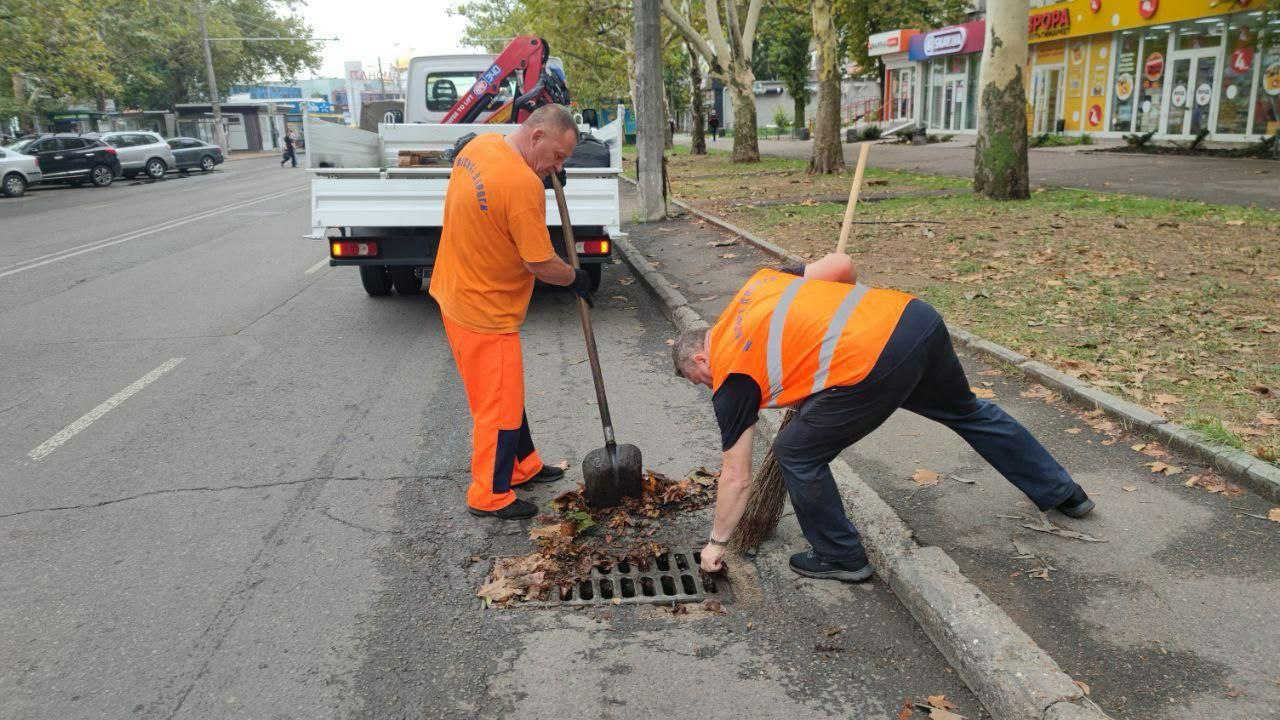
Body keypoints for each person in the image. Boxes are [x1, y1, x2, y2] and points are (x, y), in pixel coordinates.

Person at [672, 254, 1094, 581]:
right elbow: (841, 265)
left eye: (698, 380)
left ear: (700, 357)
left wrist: (716, 543)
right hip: (914, 319)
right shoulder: (759, 284)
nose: (707, 387)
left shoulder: (730, 375)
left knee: (796, 452)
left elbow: (737, 476)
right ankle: (1064, 494)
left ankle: (840, 556)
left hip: (873, 360)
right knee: (967, 410)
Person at [429, 104, 594, 520]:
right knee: (497, 409)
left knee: (505, 393)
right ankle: (488, 494)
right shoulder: (522, 185)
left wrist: (543, 171)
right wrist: (575, 278)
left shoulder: (482, 147)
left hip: (454, 290)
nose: (557, 166)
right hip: (483, 311)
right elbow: (539, 263)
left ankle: (524, 466)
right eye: (557, 156)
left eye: (564, 162)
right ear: (536, 136)